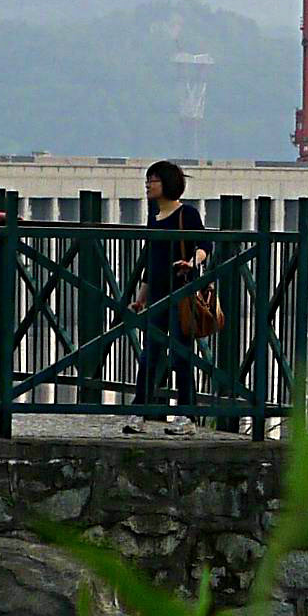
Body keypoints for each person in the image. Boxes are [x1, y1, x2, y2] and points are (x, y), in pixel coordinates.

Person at [130, 159, 209, 436]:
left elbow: (203, 245)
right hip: (158, 297)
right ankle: (140, 411)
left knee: (180, 356)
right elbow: (151, 263)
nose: (148, 184)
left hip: (181, 295)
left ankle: (186, 416)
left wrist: (191, 262)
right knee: (150, 355)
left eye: (154, 179)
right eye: (148, 179)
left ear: (168, 184)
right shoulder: (153, 216)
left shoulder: (186, 213)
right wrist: (141, 297)